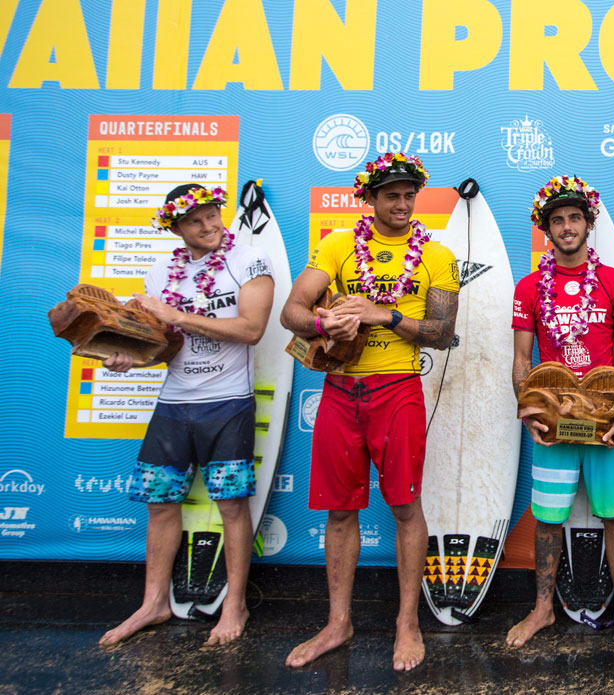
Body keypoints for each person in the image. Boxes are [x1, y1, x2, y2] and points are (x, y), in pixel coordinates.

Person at [280, 152, 459, 671]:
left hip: (398, 391)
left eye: (409, 196)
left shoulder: (436, 256)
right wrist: (322, 324)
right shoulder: (337, 244)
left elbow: (443, 334)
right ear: (370, 198)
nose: (402, 205)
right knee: (340, 511)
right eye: (391, 196)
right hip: (339, 391)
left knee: (405, 507)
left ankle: (407, 622)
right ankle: (338, 622)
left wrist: (383, 314)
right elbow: (292, 311)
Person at [98, 184, 275, 647]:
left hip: (229, 403)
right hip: (173, 405)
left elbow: (252, 329)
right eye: (196, 220)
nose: (211, 225)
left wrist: (174, 315)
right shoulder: (160, 273)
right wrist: (129, 359)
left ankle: (235, 603)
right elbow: (162, 347)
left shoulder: (250, 261)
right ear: (176, 228)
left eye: (214, 214)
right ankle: (153, 603)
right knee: (159, 504)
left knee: (232, 507)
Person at [505, 176, 614, 652]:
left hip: (603, 422)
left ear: (590, 224)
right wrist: (530, 414)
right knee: (548, 518)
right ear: (546, 229)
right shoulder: (529, 288)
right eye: (557, 220)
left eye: (574, 218)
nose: (567, 227)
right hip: (554, 424)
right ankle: (544, 608)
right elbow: (522, 361)